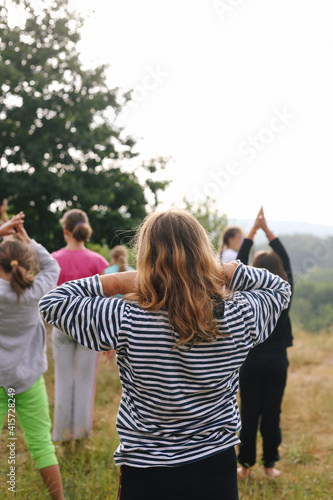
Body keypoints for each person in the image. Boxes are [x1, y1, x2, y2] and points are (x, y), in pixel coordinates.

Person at [39, 209, 291, 500]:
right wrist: (220, 271)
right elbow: (279, 288)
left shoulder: (125, 318)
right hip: (217, 466)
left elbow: (53, 302)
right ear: (203, 253)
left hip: (146, 470)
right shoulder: (238, 315)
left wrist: (122, 282)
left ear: (146, 256)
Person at [0, 213, 64, 500]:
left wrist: (2, 231)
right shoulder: (37, 290)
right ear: (27, 264)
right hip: (28, 379)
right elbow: (53, 264)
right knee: (41, 445)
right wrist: (28, 240)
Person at [236, 207, 293, 479]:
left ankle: (244, 467)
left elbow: (238, 263)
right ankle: (270, 466)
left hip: (249, 360)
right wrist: (268, 232)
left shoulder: (247, 294)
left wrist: (251, 234)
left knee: (248, 413)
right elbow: (287, 261)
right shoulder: (285, 293)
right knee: (272, 414)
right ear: (280, 271)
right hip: (277, 361)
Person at [51, 208, 109, 444]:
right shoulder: (99, 261)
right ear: (86, 230)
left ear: (65, 231)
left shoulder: (54, 260)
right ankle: (81, 434)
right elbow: (107, 302)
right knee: (86, 381)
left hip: (62, 327)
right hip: (91, 330)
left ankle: (60, 434)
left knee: (63, 380)